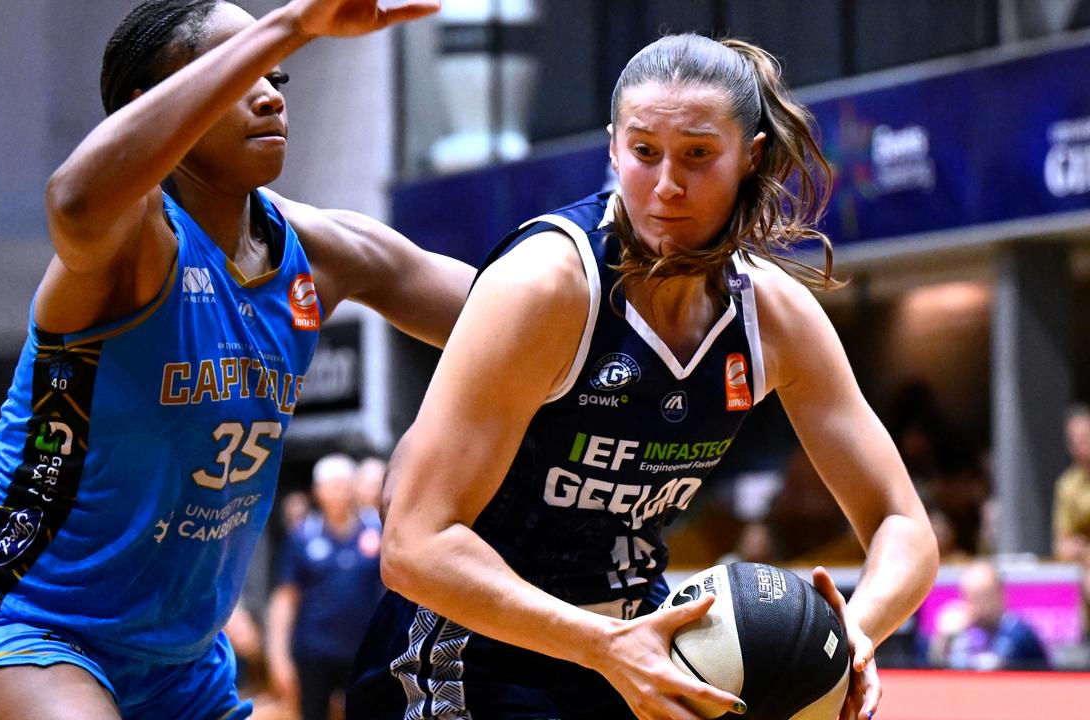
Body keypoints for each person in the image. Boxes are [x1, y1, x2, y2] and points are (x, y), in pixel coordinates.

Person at [0, 1, 467, 719]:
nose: (271, 92)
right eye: (240, 72)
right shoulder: (129, 242)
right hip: (11, 613)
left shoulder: (322, 250)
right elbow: (73, 198)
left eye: (276, 74)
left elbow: (511, 319)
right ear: (156, 109)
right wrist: (290, 25)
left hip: (177, 661)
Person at [349, 33, 937, 720]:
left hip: (638, 644)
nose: (665, 186)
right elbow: (413, 545)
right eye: (643, 152)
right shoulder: (547, 286)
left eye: (697, 155)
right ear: (612, 147)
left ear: (749, 156)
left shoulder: (774, 316)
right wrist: (602, 644)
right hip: (472, 653)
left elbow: (902, 522)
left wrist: (854, 636)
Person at [267, 454, 384, 720]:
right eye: (332, 485)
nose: (339, 492)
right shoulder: (302, 537)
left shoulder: (376, 531)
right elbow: (285, 598)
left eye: (344, 484)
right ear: (317, 492)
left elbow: (391, 593)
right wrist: (278, 655)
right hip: (314, 652)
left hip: (364, 652)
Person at [928, 561, 1048, 671]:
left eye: (983, 597)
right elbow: (931, 669)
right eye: (970, 597)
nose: (977, 605)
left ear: (1000, 595)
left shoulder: (1019, 634)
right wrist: (942, 638)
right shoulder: (954, 633)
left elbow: (1046, 675)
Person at [1053, 404, 1090, 562]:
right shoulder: (1067, 485)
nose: (1085, 444)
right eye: (1079, 440)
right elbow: (1062, 545)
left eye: (1087, 436)